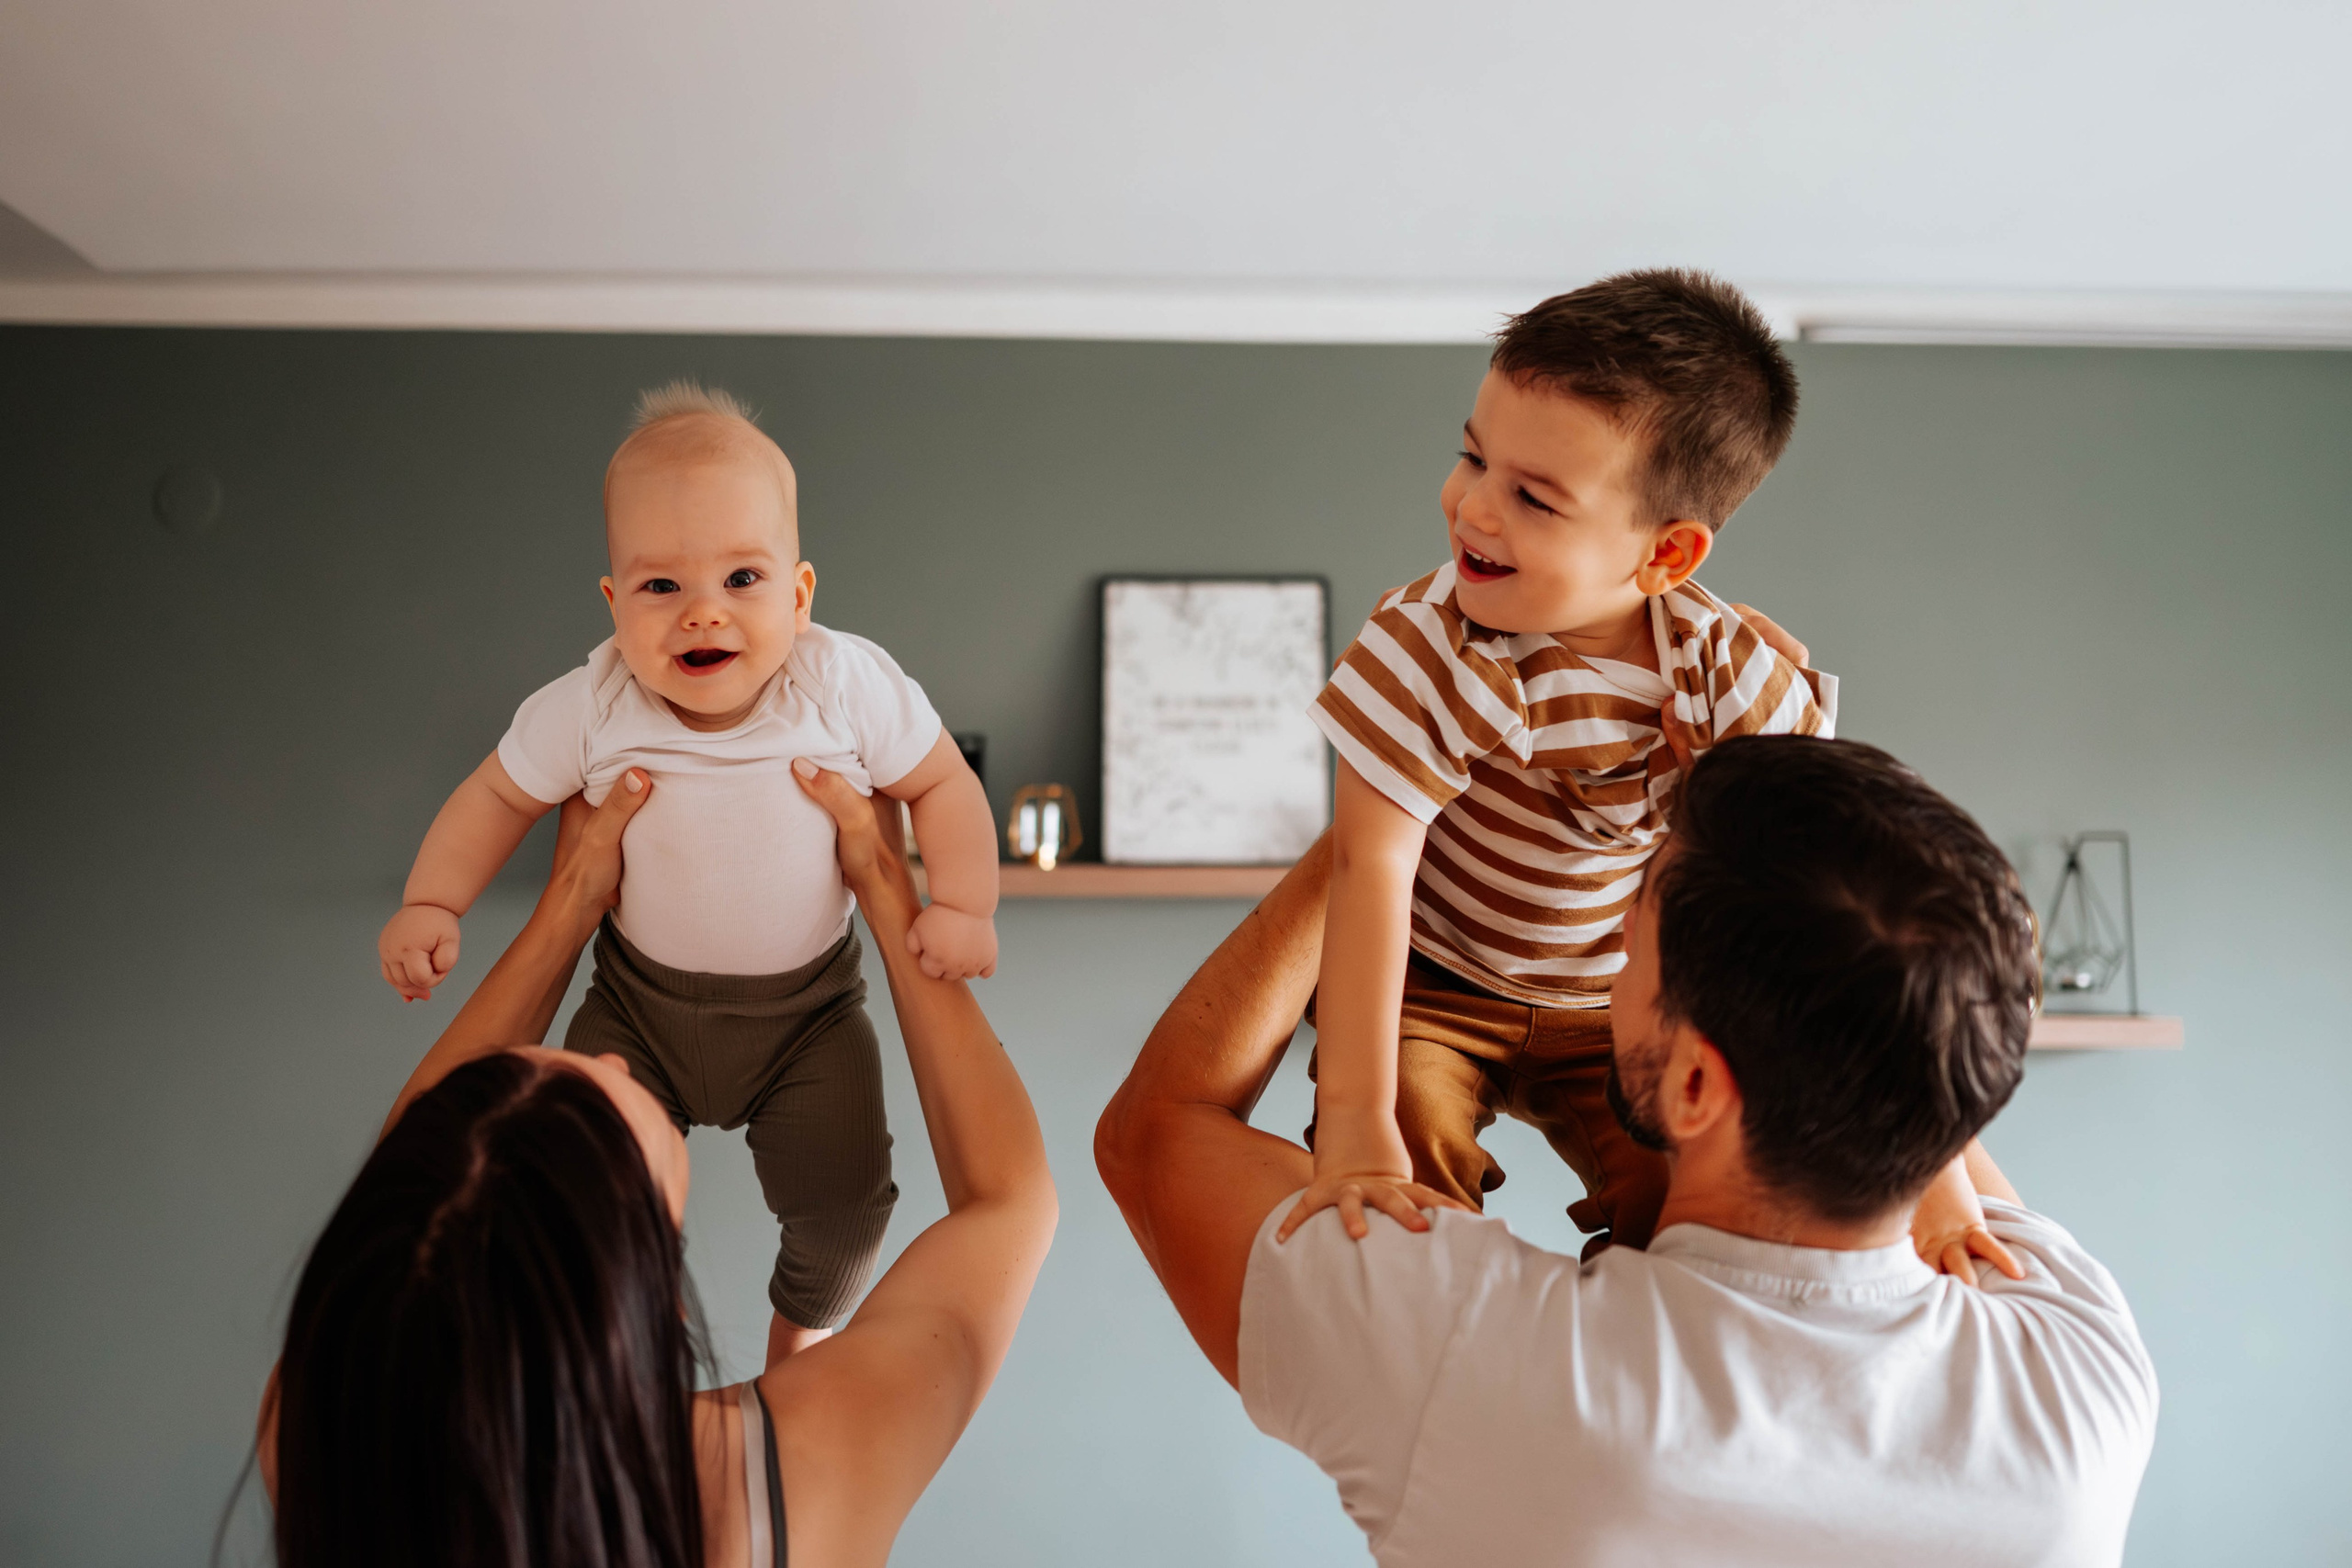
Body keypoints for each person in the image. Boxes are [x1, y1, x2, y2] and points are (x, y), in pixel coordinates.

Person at [1098, 736, 2157, 1567]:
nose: (1608, 960)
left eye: (1630, 932)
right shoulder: (2078, 1374)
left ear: (1694, 1085)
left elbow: (1156, 1132)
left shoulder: (1484, 1365)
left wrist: (1378, 818)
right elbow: (1928, 1053)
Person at [263, 758, 1055, 1568]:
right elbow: (1010, 1198)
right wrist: (888, 890)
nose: (610, 1061)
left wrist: (569, 906)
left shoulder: (325, 1437)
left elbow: (402, 1185)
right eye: (610, 1097)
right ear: (656, 1296)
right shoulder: (809, 1467)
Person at [377, 380, 1001, 1362]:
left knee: (848, 1210)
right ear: (613, 602)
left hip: (809, 1018)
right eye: (661, 587)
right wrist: (432, 900)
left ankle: (801, 1338)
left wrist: (962, 903)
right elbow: (495, 795)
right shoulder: (593, 703)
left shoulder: (841, 685)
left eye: (742, 578)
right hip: (637, 1011)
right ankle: (639, 1329)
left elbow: (941, 782)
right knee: (579, 1191)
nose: (702, 613)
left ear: (800, 594)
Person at [1299, 270, 1870, 1265]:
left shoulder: (1724, 672)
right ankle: (1439, 1319)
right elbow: (1369, 866)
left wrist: (1943, 1191)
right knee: (1400, 1161)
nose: (1473, 509)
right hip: (1435, 984)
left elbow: (1833, 897)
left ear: (1666, 557)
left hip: (1610, 1003)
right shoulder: (1426, 644)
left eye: (1533, 498)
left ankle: (1636, 1324)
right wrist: (1353, 1121)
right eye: (1473, 457)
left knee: (1690, 1178)